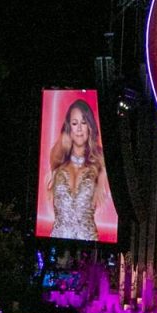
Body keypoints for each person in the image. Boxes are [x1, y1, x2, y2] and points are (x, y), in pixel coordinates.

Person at [47, 98, 109, 241]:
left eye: (84, 122)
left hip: (89, 244)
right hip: (57, 242)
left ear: (90, 127)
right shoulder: (58, 165)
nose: (79, 128)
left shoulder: (99, 166)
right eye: (75, 123)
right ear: (69, 127)